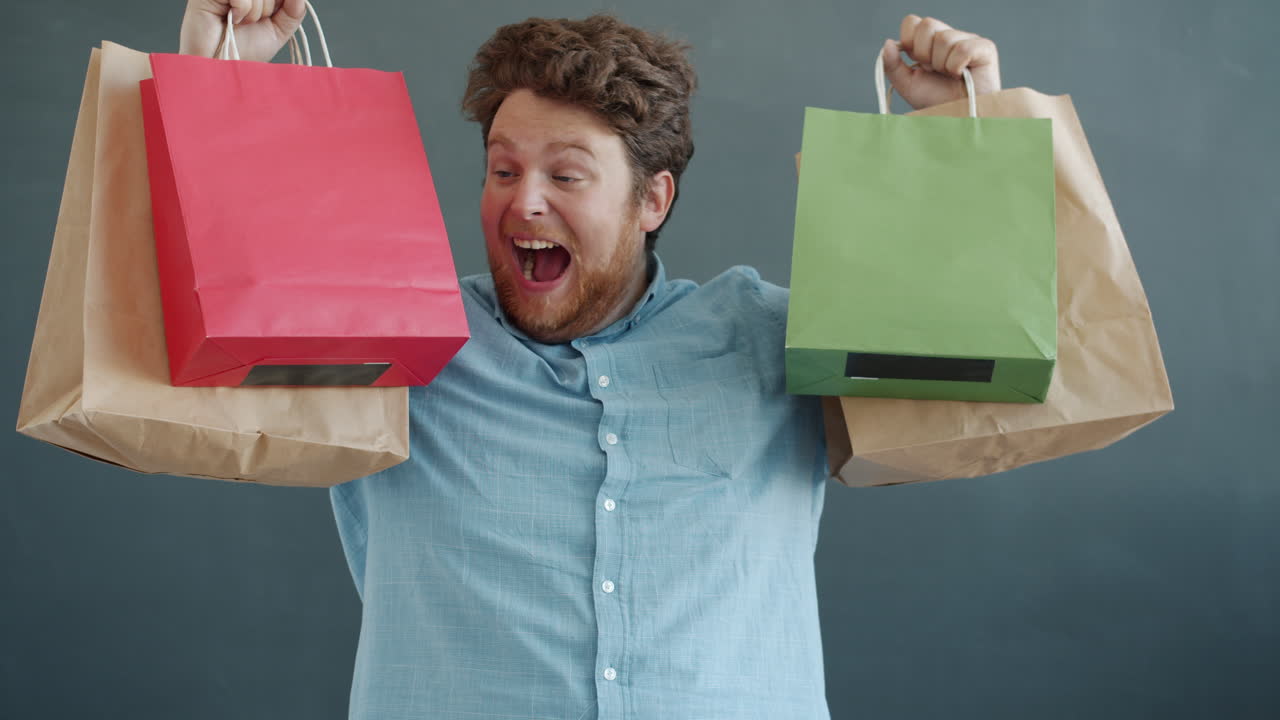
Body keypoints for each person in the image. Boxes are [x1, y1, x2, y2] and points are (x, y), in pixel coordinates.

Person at [179, 2, 1003, 717]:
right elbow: (192, 349)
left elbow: (981, 375)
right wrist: (212, 81)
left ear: (653, 200)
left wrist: (970, 132)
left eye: (566, 175)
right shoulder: (399, 337)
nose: (524, 200)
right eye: (503, 169)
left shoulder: (766, 338)